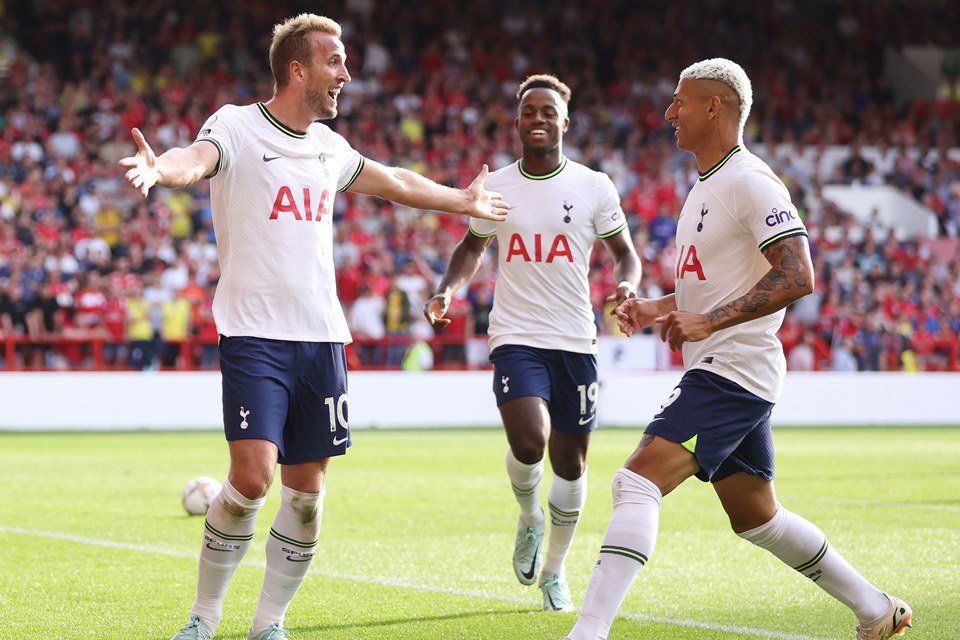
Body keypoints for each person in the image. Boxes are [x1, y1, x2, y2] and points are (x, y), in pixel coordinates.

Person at [119, 14, 507, 640]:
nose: (346, 75)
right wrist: (160, 170)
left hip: (322, 339)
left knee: (306, 492)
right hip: (254, 336)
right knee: (251, 477)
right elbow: (197, 159)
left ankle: (269, 622)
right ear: (297, 69)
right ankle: (204, 617)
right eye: (335, 63)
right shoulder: (237, 125)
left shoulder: (331, 148)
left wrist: (463, 200)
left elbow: (397, 182)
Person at [563, 58, 911, 640]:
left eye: (679, 101)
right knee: (756, 518)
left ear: (713, 107)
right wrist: (658, 309)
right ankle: (877, 611)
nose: (669, 111)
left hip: (734, 369)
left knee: (636, 482)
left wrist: (711, 321)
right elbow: (715, 286)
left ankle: (589, 632)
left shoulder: (750, 181)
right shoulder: (707, 184)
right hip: (727, 367)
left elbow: (798, 274)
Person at [424, 74, 641, 612]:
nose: (538, 119)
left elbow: (625, 254)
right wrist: (448, 289)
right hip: (516, 336)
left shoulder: (594, 186)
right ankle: (529, 517)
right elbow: (472, 248)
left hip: (575, 340)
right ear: (517, 122)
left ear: (564, 122)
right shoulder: (496, 186)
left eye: (549, 112)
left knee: (571, 467)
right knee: (529, 441)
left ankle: (554, 571)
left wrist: (628, 284)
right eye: (529, 112)